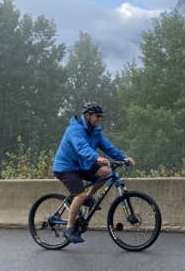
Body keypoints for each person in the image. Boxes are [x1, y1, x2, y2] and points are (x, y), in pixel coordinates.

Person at [52, 102, 135, 243]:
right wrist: (96, 157)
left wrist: (124, 158)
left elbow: (108, 147)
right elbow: (81, 147)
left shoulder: (96, 131)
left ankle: (88, 198)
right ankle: (69, 228)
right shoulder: (75, 129)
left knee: (107, 172)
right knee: (79, 195)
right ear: (88, 115)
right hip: (66, 167)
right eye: (97, 116)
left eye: (100, 117)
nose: (99, 119)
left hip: (82, 165)